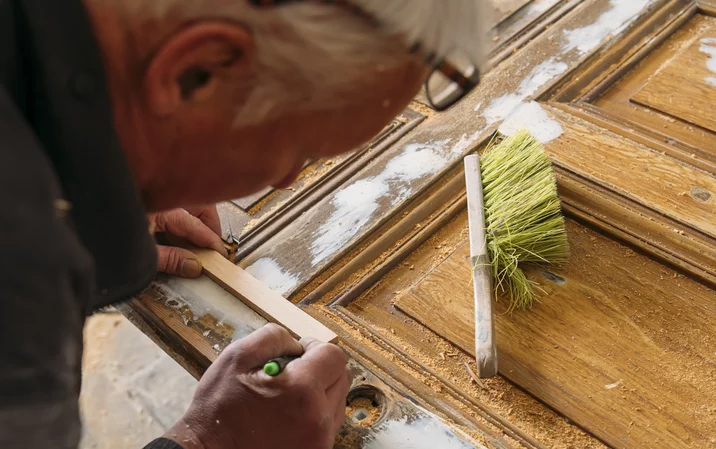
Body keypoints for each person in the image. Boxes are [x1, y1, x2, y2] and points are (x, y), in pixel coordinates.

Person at [0, 0, 485, 448]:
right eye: (301, 150)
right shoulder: (22, 281)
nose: (286, 179)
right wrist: (210, 439)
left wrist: (120, 175)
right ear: (195, 72)